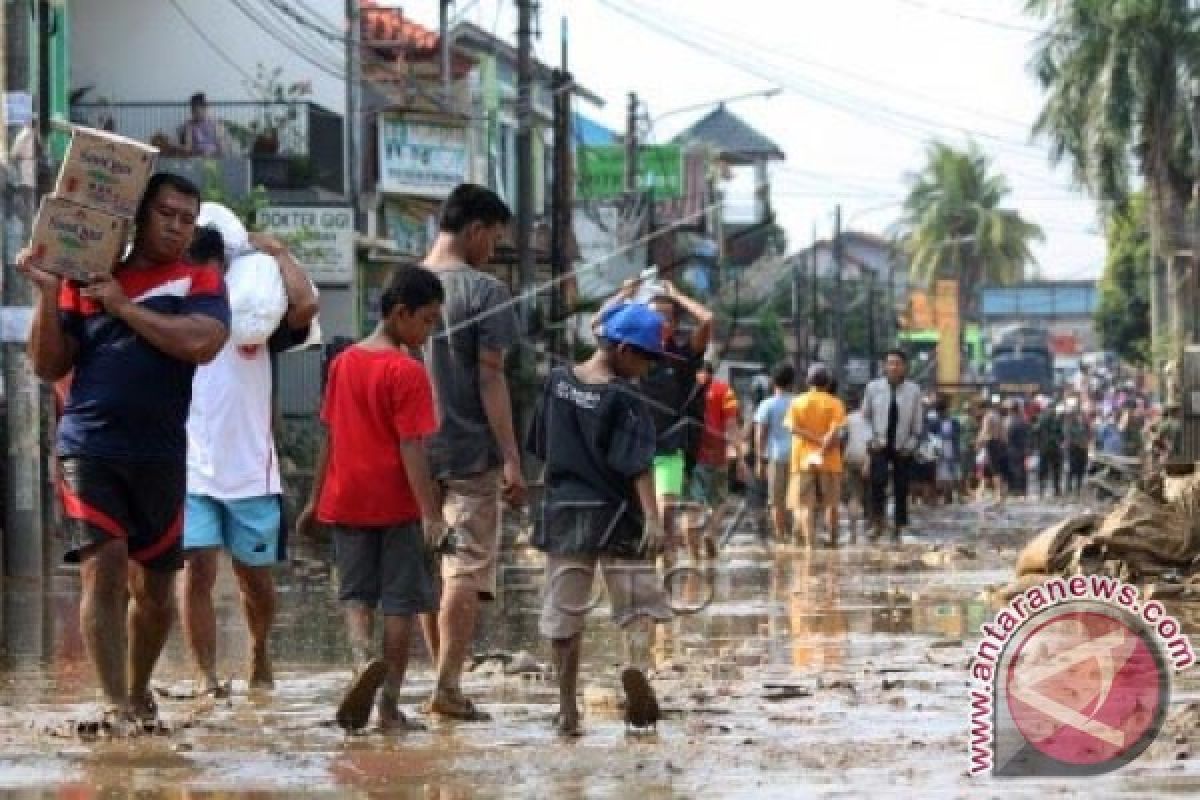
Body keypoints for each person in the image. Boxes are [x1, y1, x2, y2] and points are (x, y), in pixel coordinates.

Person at [21, 172, 230, 730]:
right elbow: (47, 365)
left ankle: (138, 692)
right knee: (104, 569)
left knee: (157, 592)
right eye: (167, 215)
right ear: (138, 216)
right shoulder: (87, 276)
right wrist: (46, 292)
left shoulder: (200, 280)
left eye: (188, 219)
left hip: (161, 453)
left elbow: (201, 343)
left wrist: (124, 307)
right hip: (90, 445)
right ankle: (115, 704)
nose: (178, 228)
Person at [297, 266, 445, 731]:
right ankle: (389, 706)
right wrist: (431, 515)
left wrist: (312, 500)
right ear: (400, 314)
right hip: (397, 505)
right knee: (401, 604)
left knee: (355, 597)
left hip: (346, 501)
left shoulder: (343, 363)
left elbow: (329, 435)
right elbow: (412, 446)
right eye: (427, 320)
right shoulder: (407, 371)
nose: (430, 331)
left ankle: (362, 663)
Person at [180, 227, 319, 697]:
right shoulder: (175, 315)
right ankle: (206, 676)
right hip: (191, 469)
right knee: (196, 571)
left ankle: (260, 651)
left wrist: (278, 250)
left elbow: (306, 307)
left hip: (251, 474)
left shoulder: (254, 316)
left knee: (254, 581)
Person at [528, 302, 670, 737]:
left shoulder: (556, 382)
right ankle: (636, 670)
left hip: (565, 512)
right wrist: (653, 517)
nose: (646, 369)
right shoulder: (624, 396)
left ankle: (567, 709)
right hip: (618, 516)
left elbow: (541, 446)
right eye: (646, 358)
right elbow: (638, 464)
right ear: (624, 350)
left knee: (564, 613)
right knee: (637, 605)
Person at [421, 184, 525, 721]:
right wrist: (511, 456)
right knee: (462, 568)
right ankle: (447, 685)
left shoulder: (404, 286)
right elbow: (491, 377)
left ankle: (443, 679)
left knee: (428, 567)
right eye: (495, 238)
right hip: (468, 451)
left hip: (411, 453)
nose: (494, 250)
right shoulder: (485, 291)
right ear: (477, 228)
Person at [600, 276, 712, 559]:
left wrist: (677, 293)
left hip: (667, 447)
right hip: (629, 448)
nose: (656, 323)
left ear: (674, 325)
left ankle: (667, 582)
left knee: (667, 517)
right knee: (629, 519)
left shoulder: (682, 356)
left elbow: (708, 320)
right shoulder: (626, 352)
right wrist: (624, 293)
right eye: (650, 316)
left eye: (663, 318)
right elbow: (598, 324)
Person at [861, 350, 924, 538]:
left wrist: (911, 444)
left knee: (901, 486)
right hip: (879, 443)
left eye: (897, 363)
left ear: (905, 367)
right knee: (877, 483)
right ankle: (877, 523)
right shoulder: (873, 388)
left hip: (903, 445)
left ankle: (900, 525)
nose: (894, 367)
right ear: (884, 366)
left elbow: (917, 422)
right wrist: (870, 440)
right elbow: (864, 417)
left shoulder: (913, 390)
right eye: (890, 363)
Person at [785, 364, 847, 547]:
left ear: (808, 382)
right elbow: (835, 431)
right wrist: (822, 447)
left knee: (805, 505)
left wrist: (814, 441)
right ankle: (833, 541)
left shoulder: (797, 402)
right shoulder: (836, 403)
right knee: (831, 504)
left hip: (802, 461)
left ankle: (810, 545)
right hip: (830, 461)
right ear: (828, 383)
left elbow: (792, 428)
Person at [687, 362, 744, 557]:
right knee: (720, 501)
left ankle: (694, 557)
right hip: (716, 454)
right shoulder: (723, 390)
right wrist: (740, 456)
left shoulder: (684, 387)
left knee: (693, 503)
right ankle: (710, 533)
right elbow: (731, 424)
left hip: (689, 455)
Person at [754, 363, 796, 542]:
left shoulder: (766, 405)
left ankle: (781, 537)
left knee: (776, 500)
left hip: (775, 457)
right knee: (795, 499)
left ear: (773, 382)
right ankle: (795, 534)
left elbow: (760, 434)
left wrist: (759, 460)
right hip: (797, 457)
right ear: (792, 382)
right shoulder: (799, 402)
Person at [841, 393, 873, 538]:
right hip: (869, 459)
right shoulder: (875, 419)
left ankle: (853, 531)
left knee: (854, 496)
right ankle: (869, 529)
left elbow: (841, 440)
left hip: (851, 459)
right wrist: (867, 462)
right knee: (870, 496)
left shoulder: (848, 419)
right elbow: (873, 442)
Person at [930, 396, 962, 505]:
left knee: (953, 476)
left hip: (952, 452)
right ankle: (947, 498)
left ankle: (953, 498)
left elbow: (957, 434)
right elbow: (931, 437)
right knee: (943, 477)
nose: (942, 413)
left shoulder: (954, 422)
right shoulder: (934, 422)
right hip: (940, 453)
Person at [977, 400, 1009, 507]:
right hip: (1001, 445)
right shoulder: (998, 416)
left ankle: (999, 497)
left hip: (991, 444)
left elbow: (984, 432)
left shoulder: (988, 417)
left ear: (983, 408)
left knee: (996, 471)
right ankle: (1001, 496)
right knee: (997, 471)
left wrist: (978, 442)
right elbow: (1004, 433)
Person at [1033, 404, 1065, 498]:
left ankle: (1042, 490)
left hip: (1044, 448)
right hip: (1055, 448)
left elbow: (1035, 431)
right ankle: (1056, 490)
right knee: (1056, 470)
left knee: (1043, 470)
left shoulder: (1042, 419)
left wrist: (1037, 444)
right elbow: (1062, 435)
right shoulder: (1057, 420)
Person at [180, 92, 222, 157]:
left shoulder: (214, 124)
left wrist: (219, 155)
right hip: (197, 157)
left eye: (196, 111)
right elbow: (188, 146)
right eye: (192, 110)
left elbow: (220, 145)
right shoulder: (189, 125)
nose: (194, 113)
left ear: (205, 108)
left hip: (213, 158)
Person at [1065, 402, 1091, 496]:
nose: (1081, 416)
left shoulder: (1086, 424)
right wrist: (1078, 443)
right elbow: (1069, 437)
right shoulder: (1071, 424)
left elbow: (1089, 435)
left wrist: (1086, 443)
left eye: (1082, 414)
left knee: (1081, 469)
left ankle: (1078, 488)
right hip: (1074, 450)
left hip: (1083, 450)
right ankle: (1069, 487)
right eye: (1079, 414)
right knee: (1072, 469)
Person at [1005, 399, 1031, 498]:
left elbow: (1005, 436)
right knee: (1022, 470)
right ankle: (1023, 491)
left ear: (1010, 410)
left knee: (1012, 470)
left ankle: (1014, 490)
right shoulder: (1024, 421)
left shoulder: (1007, 421)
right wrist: (1027, 449)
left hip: (1010, 449)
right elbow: (1028, 436)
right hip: (1021, 449)